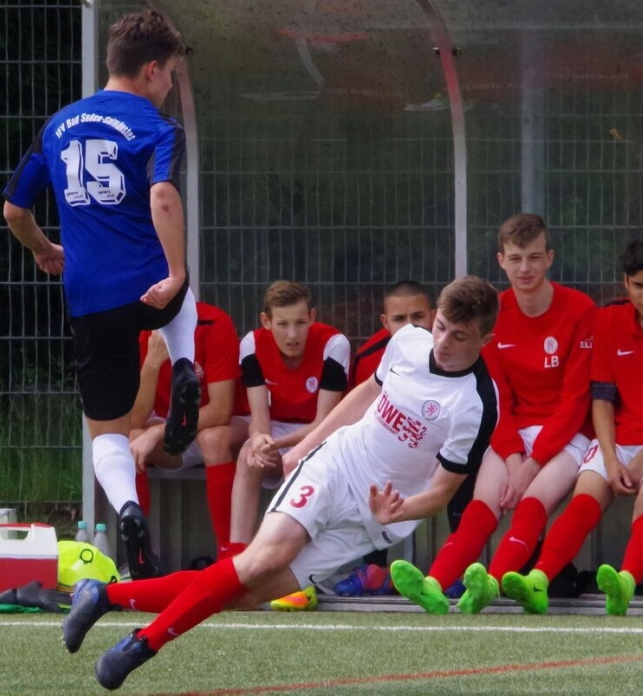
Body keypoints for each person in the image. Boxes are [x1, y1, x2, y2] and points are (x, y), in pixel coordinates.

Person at [60, 276, 499, 691]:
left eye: (459, 336)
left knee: (244, 594)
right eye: (441, 326)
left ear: (485, 340)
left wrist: (397, 511)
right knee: (258, 563)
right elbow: (365, 395)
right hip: (337, 466)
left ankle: (103, 596)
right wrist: (304, 448)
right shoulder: (407, 342)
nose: (443, 342)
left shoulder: (476, 405)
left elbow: (441, 492)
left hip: (373, 519)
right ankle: (141, 645)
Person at [1, 10, 200, 580]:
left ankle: (129, 511)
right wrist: (177, 270)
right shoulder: (158, 128)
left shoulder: (58, 125)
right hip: (147, 285)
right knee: (181, 291)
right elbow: (162, 196)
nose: (169, 87)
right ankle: (184, 365)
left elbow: (13, 209)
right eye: (170, 75)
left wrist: (43, 248)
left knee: (106, 430)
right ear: (152, 69)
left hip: (89, 299)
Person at [390, 213, 596, 615]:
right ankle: (433, 584)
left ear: (550, 258)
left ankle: (492, 583)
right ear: (501, 260)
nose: (525, 268)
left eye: (534, 257)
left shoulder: (580, 310)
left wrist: (531, 464)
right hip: (510, 432)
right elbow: (495, 396)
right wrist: (514, 457)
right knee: (482, 506)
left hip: (566, 435)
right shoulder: (494, 314)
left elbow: (575, 400)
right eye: (515, 258)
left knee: (532, 502)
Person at [501, 240, 643, 615]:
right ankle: (538, 580)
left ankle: (625, 583)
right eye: (639, 286)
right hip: (615, 438)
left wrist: (642, 459)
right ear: (626, 283)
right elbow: (601, 397)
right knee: (584, 502)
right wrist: (612, 459)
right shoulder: (608, 318)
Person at [225, 281, 350, 557]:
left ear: (312, 317)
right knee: (249, 455)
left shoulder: (334, 344)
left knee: (299, 463)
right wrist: (260, 440)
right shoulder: (252, 345)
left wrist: (278, 445)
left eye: (300, 323)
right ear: (266, 321)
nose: (292, 335)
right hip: (279, 430)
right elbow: (259, 419)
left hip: (322, 435)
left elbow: (323, 424)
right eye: (282, 324)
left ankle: (297, 563)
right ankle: (234, 557)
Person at [334, 280, 436, 597]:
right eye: (399, 319)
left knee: (466, 468)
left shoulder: (451, 354)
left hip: (438, 453)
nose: (410, 327)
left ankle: (455, 571)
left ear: (433, 316)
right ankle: (374, 570)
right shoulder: (369, 357)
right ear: (384, 322)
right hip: (388, 452)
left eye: (418, 317)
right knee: (366, 467)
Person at [129, 301, 241, 561]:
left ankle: (227, 557)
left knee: (213, 440)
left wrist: (158, 433)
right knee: (130, 441)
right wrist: (152, 363)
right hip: (174, 432)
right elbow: (136, 419)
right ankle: (141, 556)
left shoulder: (213, 323)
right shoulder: (142, 329)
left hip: (213, 426)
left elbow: (221, 410)